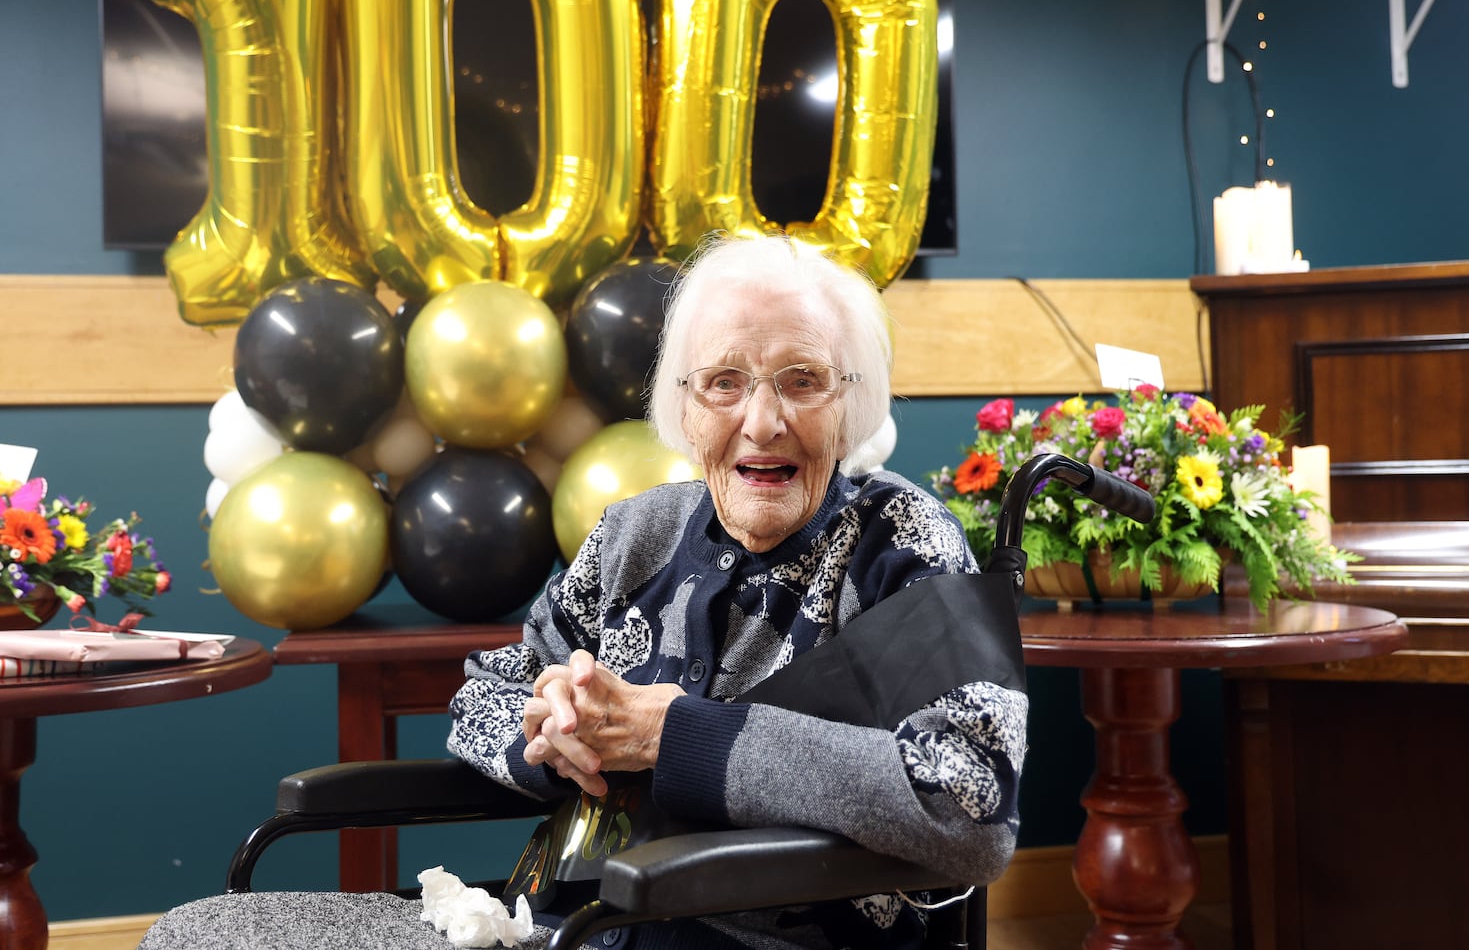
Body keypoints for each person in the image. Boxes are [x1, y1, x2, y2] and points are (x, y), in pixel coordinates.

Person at [140, 235, 1028, 950]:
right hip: (575, 921)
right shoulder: (638, 533)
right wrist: (549, 732)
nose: (762, 420)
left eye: (802, 380)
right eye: (724, 382)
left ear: (854, 399)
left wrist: (674, 733)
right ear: (684, 407)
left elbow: (972, 802)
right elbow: (483, 692)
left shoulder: (902, 540)